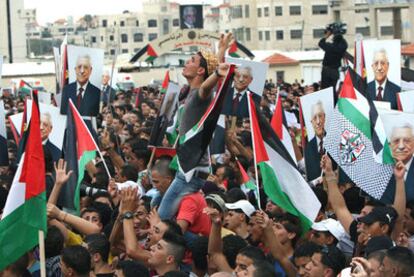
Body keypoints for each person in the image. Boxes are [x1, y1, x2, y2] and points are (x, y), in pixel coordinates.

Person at [157, 34, 233, 220]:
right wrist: (221, 51)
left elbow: (207, 86)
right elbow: (211, 69)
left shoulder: (201, 96)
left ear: (199, 71)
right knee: (154, 204)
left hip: (190, 173)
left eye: (191, 60)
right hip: (186, 168)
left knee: (162, 217)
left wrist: (215, 74)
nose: (186, 62)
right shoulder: (189, 92)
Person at [382, 124, 414, 204]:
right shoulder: (379, 169)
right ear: (389, 145)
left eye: (407, 141)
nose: (401, 146)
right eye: (396, 141)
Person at [318, 24, 348, 89]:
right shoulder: (342, 47)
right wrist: (339, 34)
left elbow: (320, 43)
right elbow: (344, 44)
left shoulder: (329, 46)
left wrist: (327, 35)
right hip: (335, 72)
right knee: (333, 90)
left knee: (325, 90)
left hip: (326, 71)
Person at [304, 101, 326, 182]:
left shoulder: (334, 141)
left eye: (320, 116)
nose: (318, 122)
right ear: (311, 122)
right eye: (314, 118)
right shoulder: (307, 148)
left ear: (324, 117)